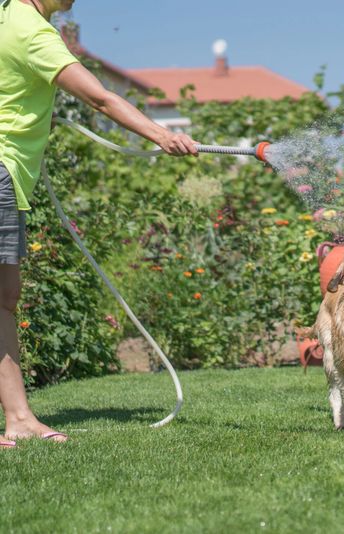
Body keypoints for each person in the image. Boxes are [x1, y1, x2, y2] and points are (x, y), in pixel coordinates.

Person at [0, 0, 198, 446]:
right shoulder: (32, 31)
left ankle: (19, 418)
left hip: (9, 175)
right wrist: (163, 135)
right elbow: (99, 97)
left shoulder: (6, 16)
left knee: (4, 299)